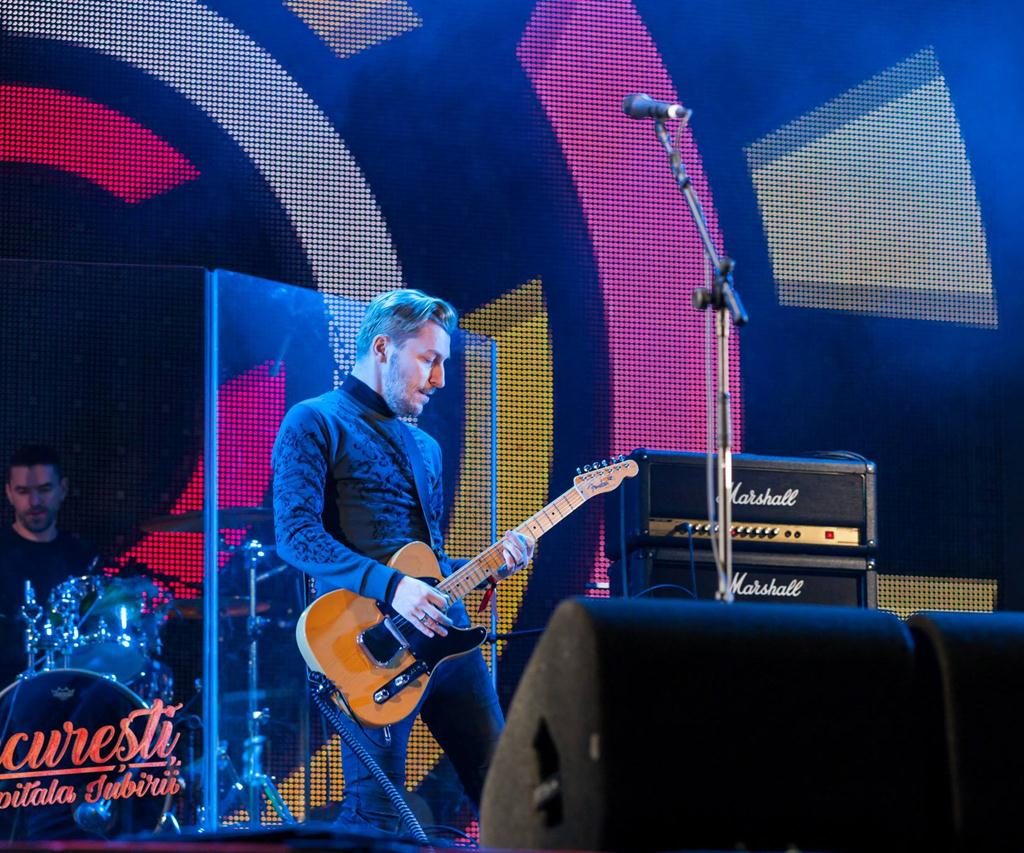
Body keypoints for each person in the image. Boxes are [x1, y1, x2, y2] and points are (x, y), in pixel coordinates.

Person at [272, 289, 533, 835]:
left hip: (446, 638)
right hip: (373, 647)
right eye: (429, 359)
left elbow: (424, 561)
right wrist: (393, 589)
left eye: (443, 363)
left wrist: (488, 565)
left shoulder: (426, 449)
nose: (440, 379)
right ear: (383, 348)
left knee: (511, 802)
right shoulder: (314, 420)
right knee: (378, 819)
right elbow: (296, 536)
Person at [0, 445, 98, 684]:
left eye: (44, 489)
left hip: (71, 687)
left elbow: (96, 633)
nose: (34, 502)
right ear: (9, 493)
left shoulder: (83, 556)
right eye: (23, 491)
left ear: (62, 489)